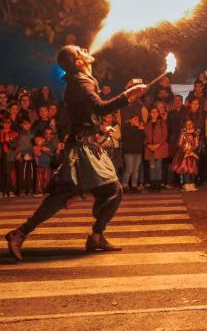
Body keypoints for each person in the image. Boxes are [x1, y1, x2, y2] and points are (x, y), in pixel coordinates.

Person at [5, 45, 147, 261]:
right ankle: (20, 233)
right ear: (79, 62)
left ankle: (96, 235)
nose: (85, 49)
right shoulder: (80, 83)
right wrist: (127, 96)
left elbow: (91, 114)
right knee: (68, 195)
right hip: (80, 150)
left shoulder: (82, 81)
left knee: (111, 190)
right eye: (80, 50)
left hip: (88, 147)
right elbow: (100, 108)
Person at [144, 106, 169, 191]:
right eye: (152, 112)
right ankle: (153, 184)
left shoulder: (162, 123)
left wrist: (157, 145)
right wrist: (148, 145)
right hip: (149, 148)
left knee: (158, 167)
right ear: (150, 114)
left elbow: (164, 136)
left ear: (158, 114)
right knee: (152, 167)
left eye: (156, 112)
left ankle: (158, 184)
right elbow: (144, 137)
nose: (154, 114)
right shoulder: (146, 124)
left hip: (159, 148)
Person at [173, 119, 201, 192]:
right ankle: (186, 184)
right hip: (184, 154)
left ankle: (192, 184)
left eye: (190, 124)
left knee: (192, 169)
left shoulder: (196, 133)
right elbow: (179, 143)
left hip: (192, 154)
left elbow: (197, 143)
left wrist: (191, 149)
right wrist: (185, 149)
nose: (189, 126)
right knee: (185, 169)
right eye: (187, 124)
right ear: (185, 125)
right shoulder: (183, 133)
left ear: (193, 124)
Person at [121, 113, 145, 193]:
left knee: (136, 170)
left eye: (137, 119)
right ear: (130, 120)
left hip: (138, 152)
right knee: (129, 169)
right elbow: (127, 138)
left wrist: (141, 129)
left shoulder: (139, 128)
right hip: (129, 152)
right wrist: (137, 129)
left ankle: (134, 186)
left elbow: (143, 138)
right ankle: (124, 186)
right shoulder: (126, 128)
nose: (136, 121)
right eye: (135, 119)